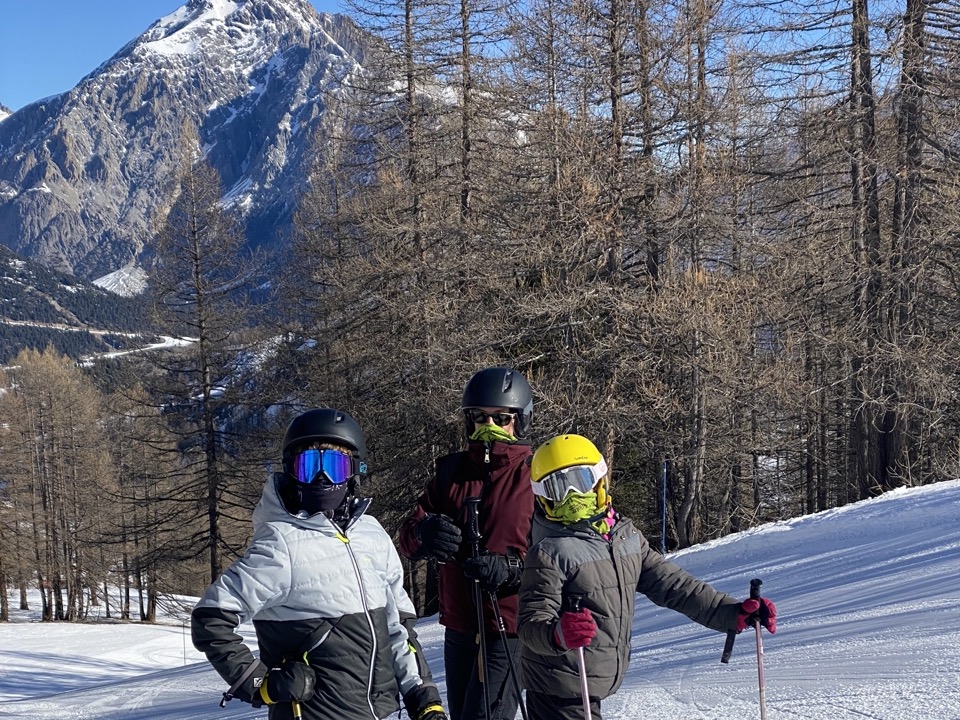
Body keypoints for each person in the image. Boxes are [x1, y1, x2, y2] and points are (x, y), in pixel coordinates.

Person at [191, 408, 447, 720]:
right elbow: (210, 619)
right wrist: (261, 684)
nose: (322, 479)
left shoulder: (371, 534)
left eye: (335, 467)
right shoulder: (280, 543)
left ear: (354, 472)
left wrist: (423, 698)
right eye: (309, 466)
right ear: (290, 472)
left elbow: (398, 628)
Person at [517, 434, 777, 720]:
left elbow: (673, 585)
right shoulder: (548, 552)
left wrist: (730, 612)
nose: (572, 495)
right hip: (557, 689)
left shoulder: (625, 538)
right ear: (543, 497)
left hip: (591, 680)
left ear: (599, 481)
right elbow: (531, 623)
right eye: (558, 488)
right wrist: (558, 634)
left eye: (579, 480)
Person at [398, 367, 535, 720]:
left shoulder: (533, 475)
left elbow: (558, 552)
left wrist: (514, 568)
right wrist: (425, 533)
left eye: (500, 418)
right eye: (478, 417)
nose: (487, 426)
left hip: (508, 625)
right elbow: (408, 536)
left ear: (520, 421)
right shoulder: (451, 473)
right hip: (460, 625)